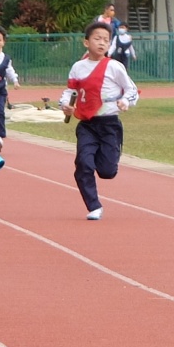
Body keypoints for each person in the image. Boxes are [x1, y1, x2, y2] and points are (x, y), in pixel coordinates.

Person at [59, 18, 139, 220]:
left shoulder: (114, 67)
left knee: (107, 171)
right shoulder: (78, 67)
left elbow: (131, 90)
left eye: (106, 39)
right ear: (86, 42)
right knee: (83, 164)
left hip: (109, 124)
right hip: (87, 124)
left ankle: (101, 157)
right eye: (97, 39)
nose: (102, 43)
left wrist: (125, 101)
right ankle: (93, 205)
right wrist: (65, 105)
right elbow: (70, 91)